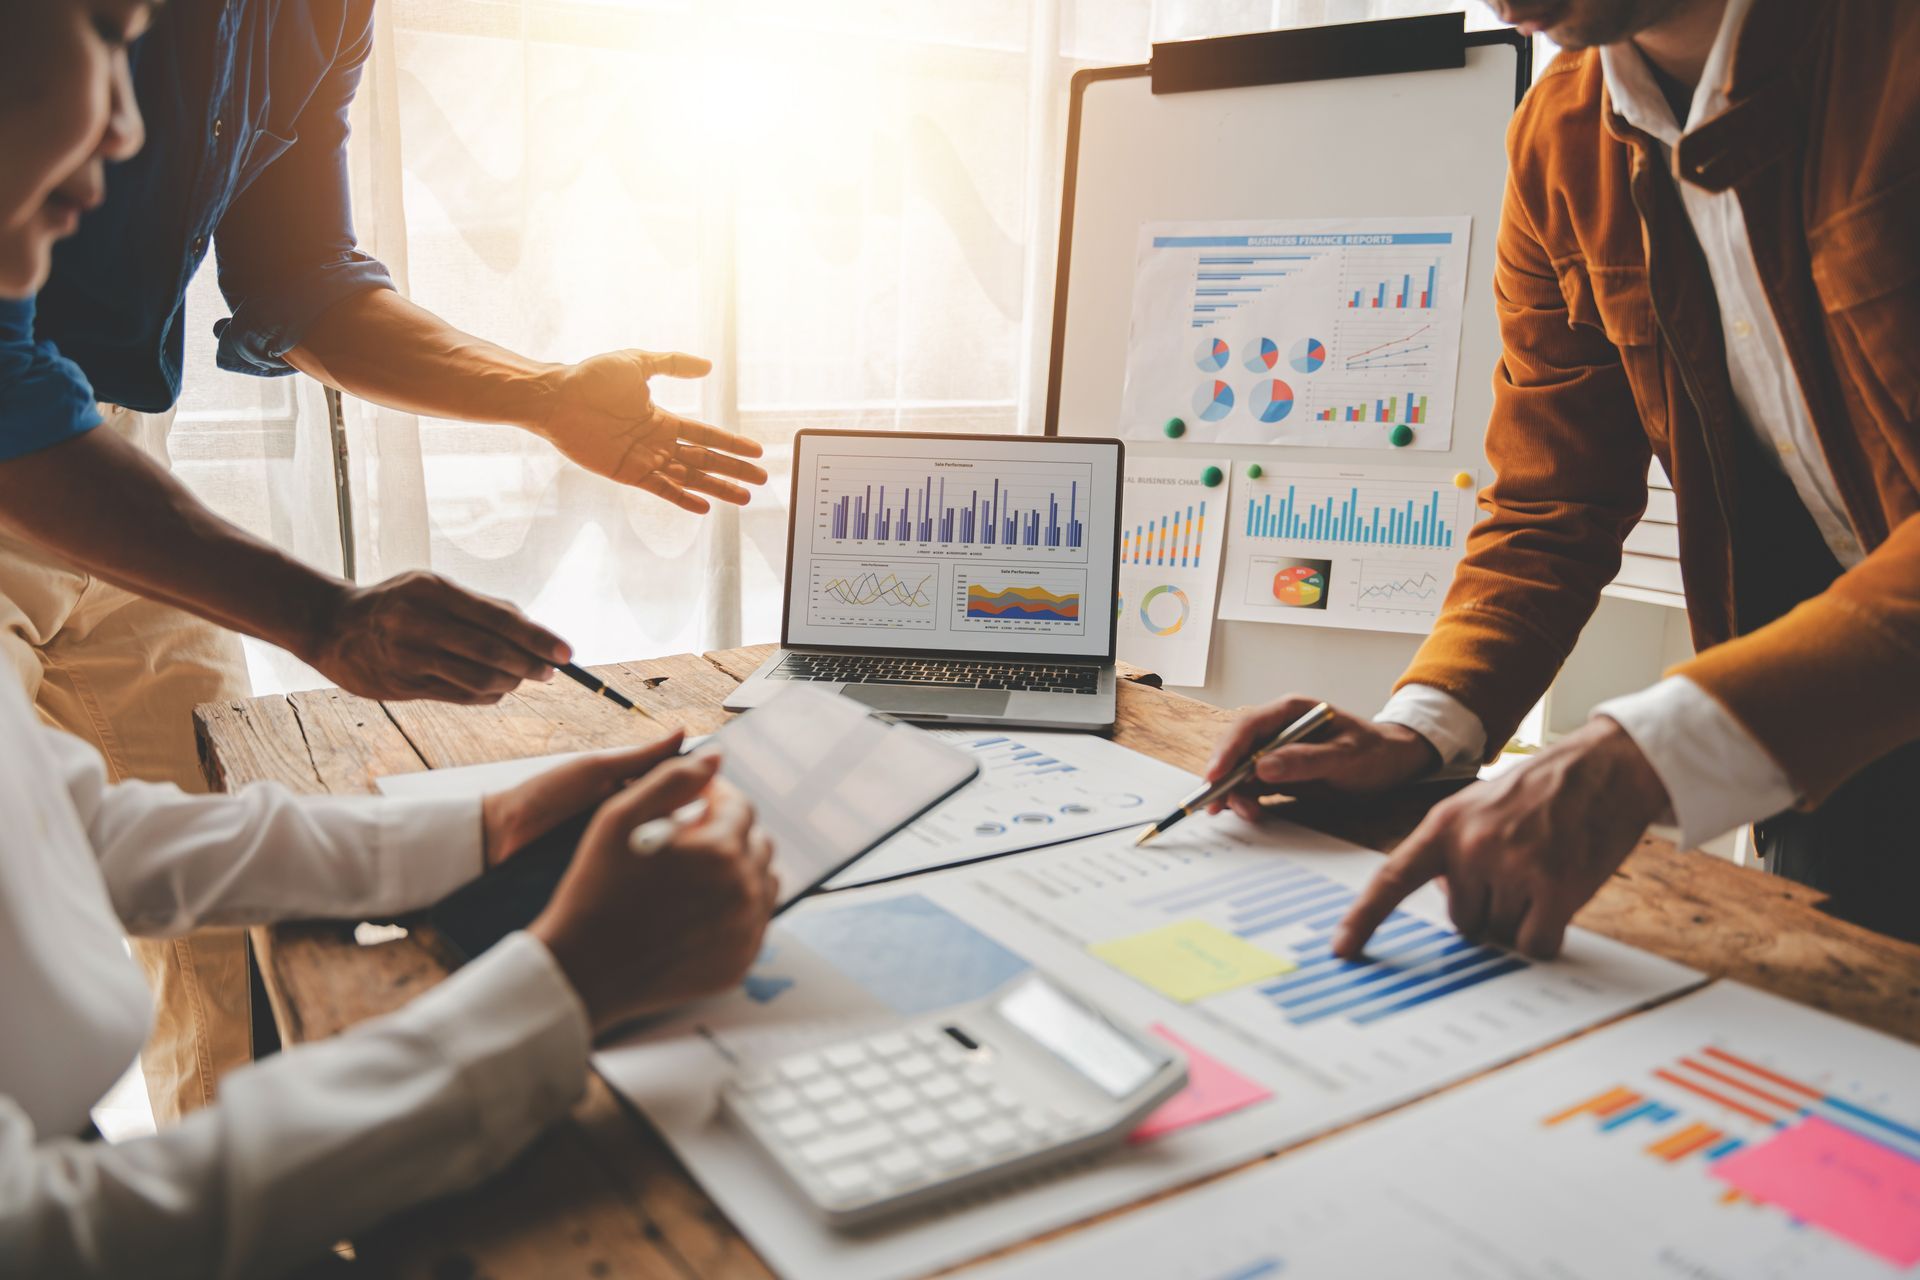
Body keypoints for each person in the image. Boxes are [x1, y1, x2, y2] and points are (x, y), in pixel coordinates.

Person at [1, 15, 777, 1275]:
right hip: (38, 459)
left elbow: (76, 832)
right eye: (105, 32)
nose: (129, 135)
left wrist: (482, 829)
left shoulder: (326, 14)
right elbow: (51, 1235)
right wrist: (553, 992)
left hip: (102, 452)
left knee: (218, 948)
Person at [1209, 0, 1920, 954]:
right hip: (1822, 742)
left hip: (1784, 704)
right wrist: (1420, 729)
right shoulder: (1557, 138)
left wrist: (1642, 753)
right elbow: (1551, 498)